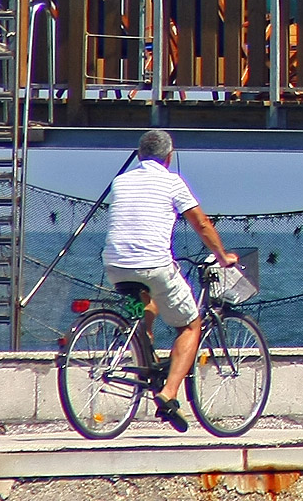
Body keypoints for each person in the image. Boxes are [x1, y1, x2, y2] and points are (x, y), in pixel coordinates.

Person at [102, 129, 237, 433]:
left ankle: (144, 347)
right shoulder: (172, 182)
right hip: (154, 266)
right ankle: (169, 393)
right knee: (190, 325)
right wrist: (222, 255)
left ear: (139, 155)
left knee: (147, 303)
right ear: (169, 156)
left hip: (115, 265)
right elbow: (201, 223)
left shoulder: (120, 181)